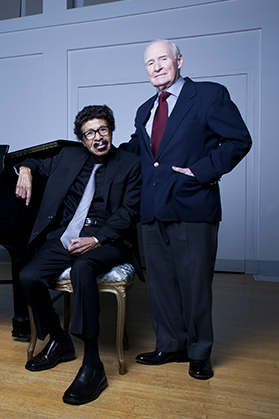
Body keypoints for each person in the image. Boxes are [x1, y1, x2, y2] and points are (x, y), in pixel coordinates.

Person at [120, 39, 252, 380]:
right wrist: (95, 149)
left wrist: (200, 171)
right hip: (152, 210)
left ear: (179, 60)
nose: (157, 67)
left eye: (163, 59)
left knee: (195, 285)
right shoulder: (144, 109)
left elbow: (239, 140)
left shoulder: (208, 95)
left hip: (193, 206)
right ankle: (170, 344)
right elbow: (140, 150)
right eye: (150, 63)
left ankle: (199, 352)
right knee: (161, 285)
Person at [15, 105, 141, 405]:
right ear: (81, 140)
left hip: (107, 238)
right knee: (28, 276)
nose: (97, 138)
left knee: (84, 268)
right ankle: (59, 340)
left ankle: (93, 364)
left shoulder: (130, 163)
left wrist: (97, 238)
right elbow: (33, 159)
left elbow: (130, 211)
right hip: (67, 236)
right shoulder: (69, 156)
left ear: (111, 130)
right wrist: (26, 170)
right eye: (89, 134)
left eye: (102, 130)